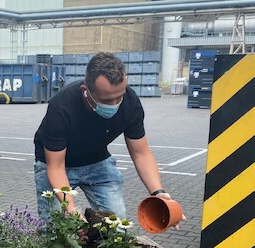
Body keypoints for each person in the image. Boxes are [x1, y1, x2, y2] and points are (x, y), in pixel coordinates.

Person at [33, 51, 183, 225]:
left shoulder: (131, 103)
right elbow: (56, 167)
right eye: (107, 100)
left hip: (97, 162)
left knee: (116, 224)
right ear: (86, 91)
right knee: (56, 228)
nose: (115, 104)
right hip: (58, 164)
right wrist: (71, 208)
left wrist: (158, 193)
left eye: (120, 96)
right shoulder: (61, 107)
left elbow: (141, 154)